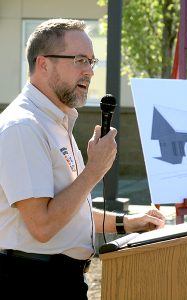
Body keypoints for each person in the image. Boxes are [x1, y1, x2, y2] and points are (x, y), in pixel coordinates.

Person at [0, 18, 165, 300]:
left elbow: (69, 211)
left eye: (92, 61)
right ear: (44, 64)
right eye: (79, 60)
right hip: (32, 281)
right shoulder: (23, 127)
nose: (89, 71)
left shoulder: (56, 121)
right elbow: (42, 225)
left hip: (60, 278)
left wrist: (128, 222)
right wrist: (94, 170)